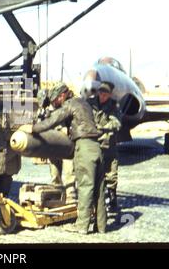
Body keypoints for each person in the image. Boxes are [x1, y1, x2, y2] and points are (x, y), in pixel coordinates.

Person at [20, 82, 106, 234]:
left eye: (55, 100)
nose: (55, 103)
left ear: (62, 96)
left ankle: (81, 226)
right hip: (96, 147)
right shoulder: (83, 103)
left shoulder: (69, 104)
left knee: (85, 188)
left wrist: (32, 128)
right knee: (99, 189)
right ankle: (101, 226)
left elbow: (53, 121)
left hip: (84, 147)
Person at [36, 88, 77, 203]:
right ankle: (57, 193)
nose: (56, 101)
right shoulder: (46, 109)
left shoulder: (69, 105)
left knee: (69, 170)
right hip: (53, 143)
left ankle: (70, 193)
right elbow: (41, 127)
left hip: (67, 141)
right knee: (54, 171)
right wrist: (42, 149)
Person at [87, 81, 122, 213]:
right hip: (93, 144)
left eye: (105, 94)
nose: (102, 95)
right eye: (101, 92)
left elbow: (117, 123)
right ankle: (94, 202)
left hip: (108, 145)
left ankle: (112, 199)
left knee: (111, 174)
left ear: (110, 94)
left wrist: (102, 128)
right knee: (93, 174)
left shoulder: (114, 106)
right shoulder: (90, 103)